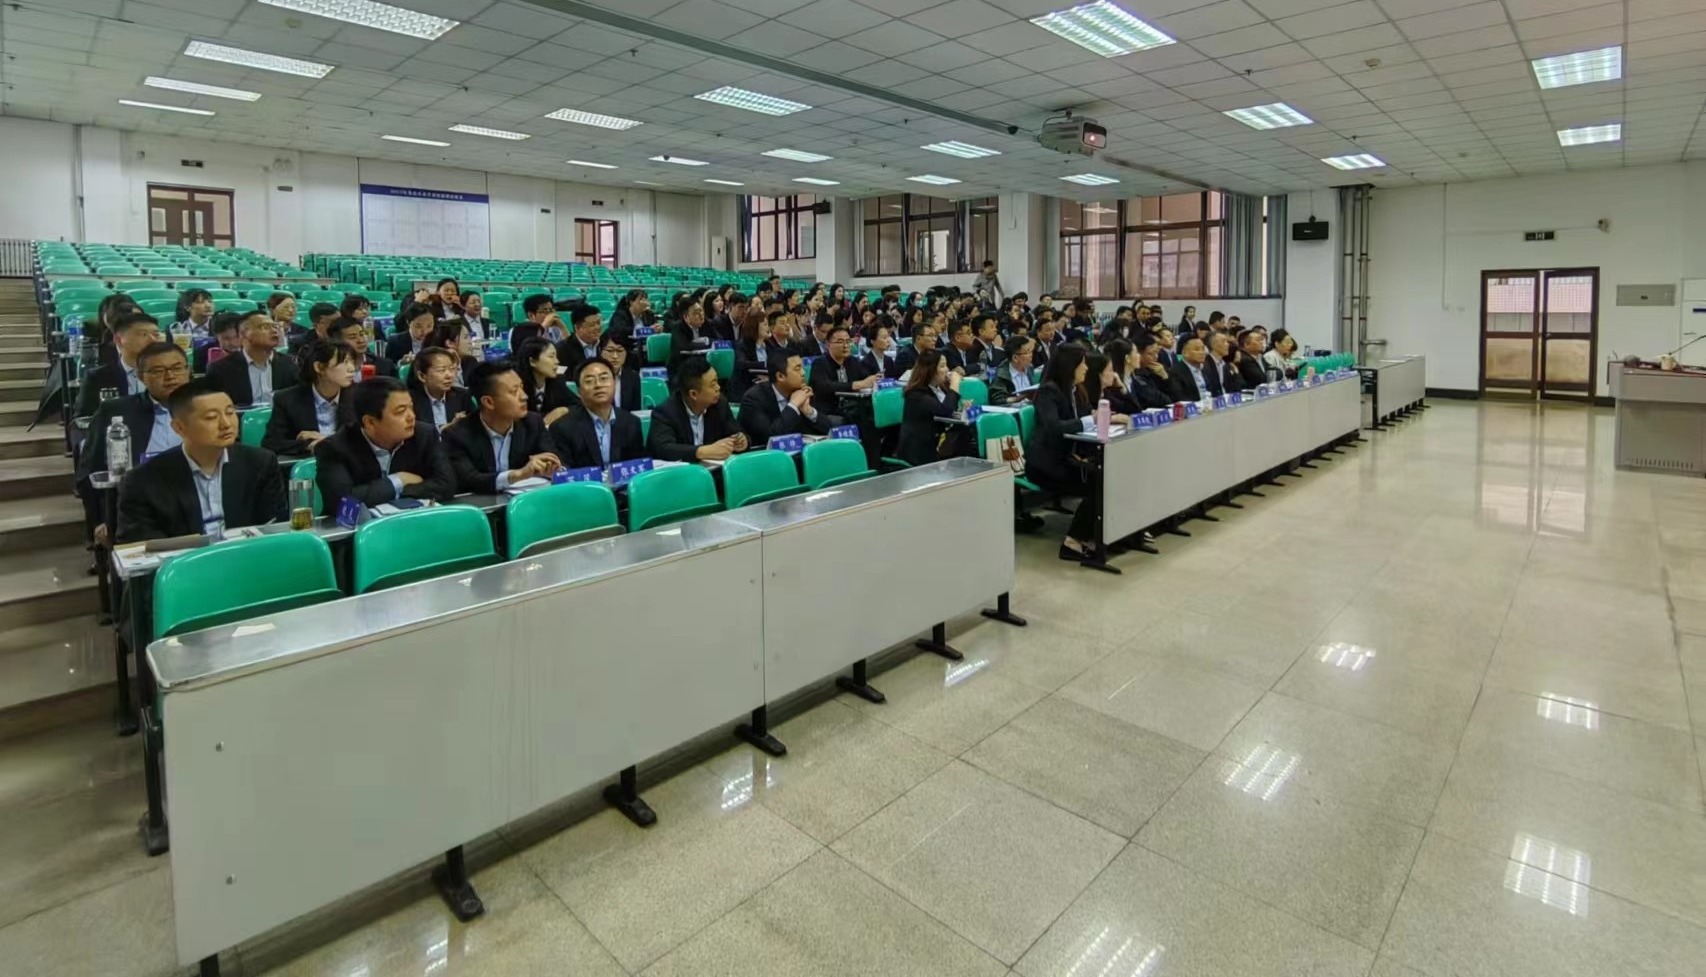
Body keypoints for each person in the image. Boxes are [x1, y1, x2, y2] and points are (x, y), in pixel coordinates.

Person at [115, 378, 288, 542]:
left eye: (230, 412)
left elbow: (274, 524)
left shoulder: (260, 463)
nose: (226, 424)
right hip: (185, 561)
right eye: (211, 417)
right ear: (180, 428)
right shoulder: (142, 481)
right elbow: (139, 544)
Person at [78, 342, 190, 543]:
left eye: (177, 368)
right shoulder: (116, 412)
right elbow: (90, 469)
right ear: (140, 376)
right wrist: (102, 520)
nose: (170, 376)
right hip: (139, 506)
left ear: (188, 371)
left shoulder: (205, 409)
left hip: (195, 497)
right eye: (158, 371)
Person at [1027, 345, 1131, 561]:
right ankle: (1073, 541)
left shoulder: (1076, 391)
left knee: (1110, 475)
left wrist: (1108, 419)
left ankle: (1101, 535)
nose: (1086, 368)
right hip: (1046, 464)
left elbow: (1086, 419)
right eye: (1082, 363)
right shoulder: (1049, 392)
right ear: (1069, 366)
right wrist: (1091, 419)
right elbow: (1054, 428)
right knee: (1097, 480)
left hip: (1069, 458)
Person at [313, 376, 455, 507]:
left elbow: (447, 484)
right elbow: (342, 502)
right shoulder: (333, 448)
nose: (411, 417)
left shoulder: (424, 435)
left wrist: (398, 492)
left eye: (411, 407)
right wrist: (398, 481)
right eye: (400, 411)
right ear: (370, 422)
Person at [441, 362, 561, 494]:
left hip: (527, 501)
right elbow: (469, 480)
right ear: (488, 402)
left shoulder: (533, 423)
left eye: (522, 387)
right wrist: (519, 474)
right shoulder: (456, 435)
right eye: (514, 392)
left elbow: (555, 460)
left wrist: (549, 466)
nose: (524, 396)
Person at [264, 339, 357, 457]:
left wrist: (326, 442)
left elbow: (365, 441)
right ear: (319, 367)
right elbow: (271, 443)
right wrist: (308, 445)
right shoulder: (287, 399)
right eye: (345, 362)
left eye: (352, 362)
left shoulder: (358, 397)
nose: (352, 368)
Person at [550, 357, 646, 470]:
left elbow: (638, 466)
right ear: (579, 391)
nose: (598, 385)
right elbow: (565, 473)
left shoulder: (631, 422)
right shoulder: (562, 428)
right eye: (589, 381)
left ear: (614, 383)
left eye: (604, 378)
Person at [647, 355, 747, 462]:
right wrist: (702, 451)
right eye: (712, 384)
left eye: (717, 381)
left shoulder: (719, 404)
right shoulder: (665, 412)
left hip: (715, 470)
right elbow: (664, 449)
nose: (718, 388)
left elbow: (735, 433)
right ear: (693, 394)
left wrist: (742, 441)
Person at [76, 309, 161, 417]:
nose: (153, 340)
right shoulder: (98, 377)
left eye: (156, 334)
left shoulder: (171, 372)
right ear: (118, 340)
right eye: (143, 334)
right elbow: (83, 420)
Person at [207, 309, 297, 408]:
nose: (274, 331)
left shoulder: (292, 364)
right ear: (243, 334)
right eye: (265, 327)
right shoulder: (220, 369)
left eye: (275, 326)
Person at [740, 352, 830, 444]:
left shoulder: (801, 392)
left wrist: (809, 411)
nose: (803, 372)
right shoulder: (754, 399)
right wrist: (793, 405)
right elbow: (770, 438)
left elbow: (830, 431)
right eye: (797, 369)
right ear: (780, 376)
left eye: (802, 368)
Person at [896, 349, 961, 467]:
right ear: (930, 370)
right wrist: (954, 385)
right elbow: (945, 411)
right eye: (942, 366)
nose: (947, 370)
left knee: (964, 437)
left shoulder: (939, 387)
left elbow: (949, 408)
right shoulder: (916, 393)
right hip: (919, 451)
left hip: (937, 442)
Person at [808, 324, 879, 415]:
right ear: (828, 345)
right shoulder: (819, 363)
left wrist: (874, 380)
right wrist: (857, 385)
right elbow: (826, 387)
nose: (846, 345)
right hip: (828, 412)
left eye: (848, 341)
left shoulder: (852, 361)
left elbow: (865, 377)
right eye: (840, 342)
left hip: (851, 407)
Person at [406, 346, 473, 429]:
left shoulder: (462, 396)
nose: (449, 375)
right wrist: (447, 428)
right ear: (422, 376)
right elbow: (413, 431)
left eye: (451, 369)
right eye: (441, 370)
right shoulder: (409, 400)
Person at [515, 335, 574, 426]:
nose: (557, 361)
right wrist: (545, 418)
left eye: (556, 356)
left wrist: (563, 410)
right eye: (551, 356)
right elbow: (516, 416)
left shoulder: (558, 380)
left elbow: (577, 405)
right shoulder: (517, 385)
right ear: (532, 361)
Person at [329, 317, 398, 379]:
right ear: (338, 341)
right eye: (353, 337)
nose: (361, 340)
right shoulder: (331, 370)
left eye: (362, 334)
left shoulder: (385, 366)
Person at [1128, 333, 1179, 409]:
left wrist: (1165, 378)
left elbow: (1177, 395)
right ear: (1138, 353)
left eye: (1157, 353)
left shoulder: (1158, 369)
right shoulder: (1135, 374)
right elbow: (1154, 398)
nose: (1156, 357)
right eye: (1150, 354)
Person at [595, 331, 641, 412]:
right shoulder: (593, 378)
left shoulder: (633, 378)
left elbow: (636, 412)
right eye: (610, 350)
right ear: (600, 351)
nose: (615, 356)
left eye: (620, 351)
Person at [556, 304, 605, 376]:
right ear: (577, 328)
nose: (597, 327)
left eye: (598, 323)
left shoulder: (605, 343)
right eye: (592, 325)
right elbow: (560, 377)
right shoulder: (562, 349)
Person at [1169, 334, 1221, 400]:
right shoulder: (1175, 372)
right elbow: (1180, 397)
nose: (1202, 352)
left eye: (1203, 349)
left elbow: (1215, 391)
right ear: (1184, 353)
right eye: (1197, 349)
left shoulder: (1206, 368)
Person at [989, 336, 1038, 405]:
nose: (1031, 355)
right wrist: (1018, 398)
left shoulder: (1029, 368)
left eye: (1031, 351)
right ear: (1015, 358)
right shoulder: (1002, 375)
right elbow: (998, 400)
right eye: (1027, 352)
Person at [734, 309, 771, 397]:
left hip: (767, 388)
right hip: (747, 388)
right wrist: (765, 365)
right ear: (755, 326)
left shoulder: (770, 345)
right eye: (765, 324)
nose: (768, 328)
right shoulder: (743, 345)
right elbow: (742, 364)